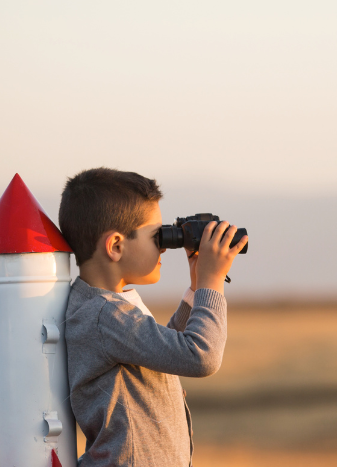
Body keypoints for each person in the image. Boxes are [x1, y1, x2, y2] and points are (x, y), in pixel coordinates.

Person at [58, 167, 247, 467]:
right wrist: (212, 282)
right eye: (156, 236)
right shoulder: (103, 314)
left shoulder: (104, 308)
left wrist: (196, 288)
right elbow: (201, 356)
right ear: (116, 246)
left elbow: (160, 351)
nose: (164, 246)